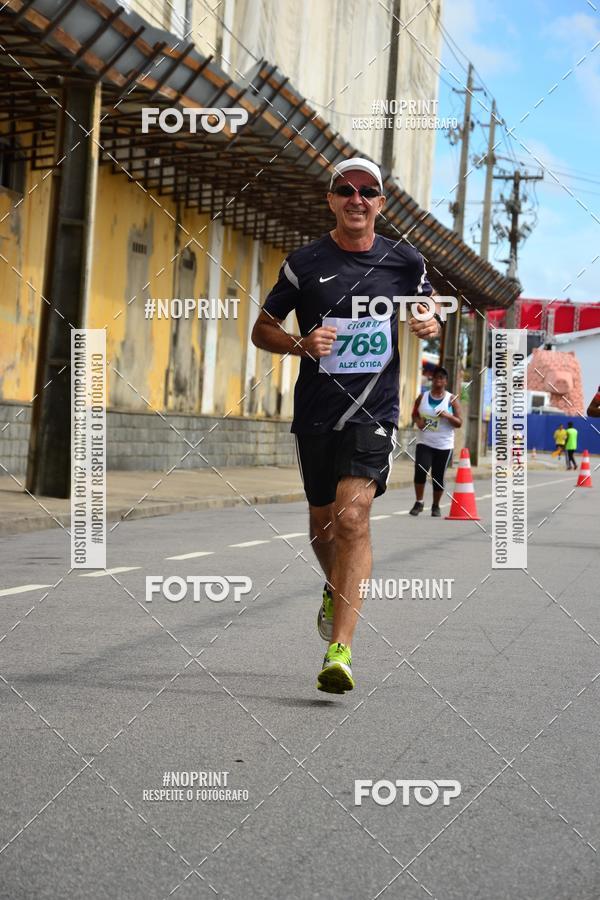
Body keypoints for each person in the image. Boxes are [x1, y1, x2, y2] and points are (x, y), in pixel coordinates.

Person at [251, 157, 443, 694]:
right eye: (345, 190)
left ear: (381, 203)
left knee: (352, 516)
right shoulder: (304, 263)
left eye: (367, 191)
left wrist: (430, 321)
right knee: (323, 526)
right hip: (316, 411)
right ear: (331, 200)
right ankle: (335, 587)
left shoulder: (404, 260)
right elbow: (262, 329)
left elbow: (428, 307)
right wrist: (299, 343)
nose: (356, 199)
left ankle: (341, 651)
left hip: (375, 411)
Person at [409, 366, 463, 516]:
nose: (438, 380)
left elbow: (459, 422)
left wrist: (447, 415)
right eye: (436, 377)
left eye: (441, 378)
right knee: (421, 469)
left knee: (437, 476)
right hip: (424, 442)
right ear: (432, 380)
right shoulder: (422, 397)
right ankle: (419, 502)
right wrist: (418, 421)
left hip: (444, 445)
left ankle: (436, 505)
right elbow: (414, 414)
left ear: (446, 381)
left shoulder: (451, 399)